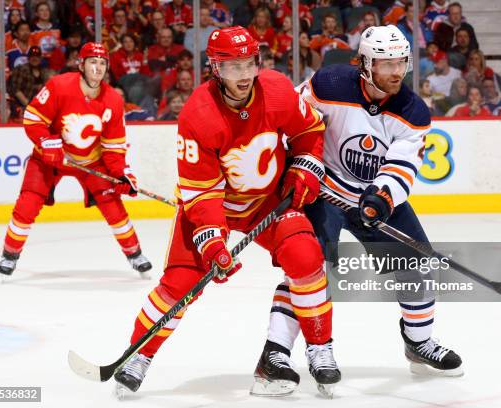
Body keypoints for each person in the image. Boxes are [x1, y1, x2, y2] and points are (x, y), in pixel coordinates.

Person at [112, 26, 340, 398]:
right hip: (211, 206)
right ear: (215, 69)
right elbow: (202, 194)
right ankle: (138, 355)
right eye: (232, 67)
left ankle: (320, 347)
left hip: (267, 201)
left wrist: (305, 167)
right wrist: (213, 243)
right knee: (180, 285)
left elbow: (310, 130)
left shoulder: (278, 90)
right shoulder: (198, 115)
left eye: (248, 63)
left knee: (306, 257)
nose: (243, 74)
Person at [252, 24, 463, 397]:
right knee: (308, 269)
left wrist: (382, 196)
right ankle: (275, 354)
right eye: (386, 64)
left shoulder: (413, 110)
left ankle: (418, 342)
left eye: (401, 62)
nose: (396, 72)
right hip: (321, 191)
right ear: (365, 64)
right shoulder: (328, 84)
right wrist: (296, 165)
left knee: (415, 264)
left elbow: (401, 165)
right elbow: (293, 121)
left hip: (373, 199)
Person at [0, 42, 152, 277]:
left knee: (113, 207)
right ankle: (10, 254)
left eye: (102, 63)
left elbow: (113, 148)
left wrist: (121, 174)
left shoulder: (113, 101)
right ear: (81, 64)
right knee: (28, 203)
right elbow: (32, 118)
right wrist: (46, 142)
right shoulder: (59, 86)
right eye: (92, 62)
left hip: (90, 161)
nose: (98, 68)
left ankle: (134, 253)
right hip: (50, 159)